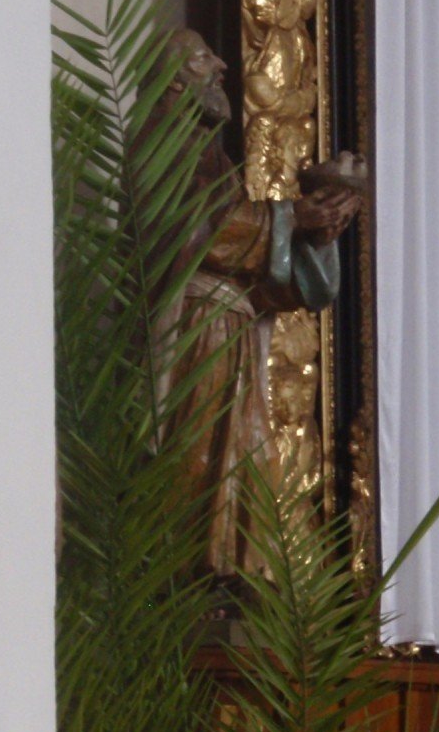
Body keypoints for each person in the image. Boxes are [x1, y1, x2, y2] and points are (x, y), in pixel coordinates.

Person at [154, 29, 361, 581]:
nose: (222, 65)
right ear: (172, 81)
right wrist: (290, 217)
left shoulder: (214, 158)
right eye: (203, 58)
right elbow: (201, 232)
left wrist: (315, 236)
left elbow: (261, 281)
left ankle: (228, 579)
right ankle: (187, 580)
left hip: (232, 331)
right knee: (198, 459)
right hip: (198, 333)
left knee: (247, 462)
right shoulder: (162, 147)